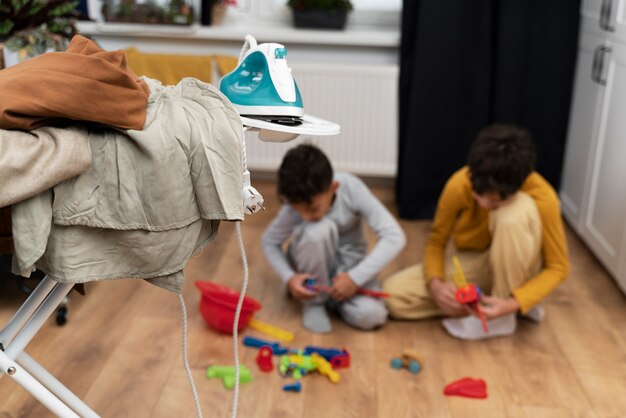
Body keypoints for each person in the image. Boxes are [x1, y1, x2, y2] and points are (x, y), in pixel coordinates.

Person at [384, 124, 569, 340]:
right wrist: (436, 285)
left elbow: (558, 267)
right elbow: (436, 241)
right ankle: (493, 306)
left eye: (494, 201)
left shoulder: (542, 197)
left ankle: (504, 313)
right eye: (477, 195)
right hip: (479, 262)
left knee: (512, 216)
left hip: (524, 264)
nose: (482, 203)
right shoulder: (459, 183)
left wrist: (513, 301)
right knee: (393, 297)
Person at [261, 144, 406, 333]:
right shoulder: (295, 200)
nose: (305, 217)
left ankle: (334, 297)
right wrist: (290, 278)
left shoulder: (351, 188)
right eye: (298, 210)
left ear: (333, 188)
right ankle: (314, 301)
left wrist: (354, 279)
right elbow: (269, 241)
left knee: (373, 316)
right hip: (311, 267)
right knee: (317, 229)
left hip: (349, 270)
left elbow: (394, 236)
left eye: (312, 209)